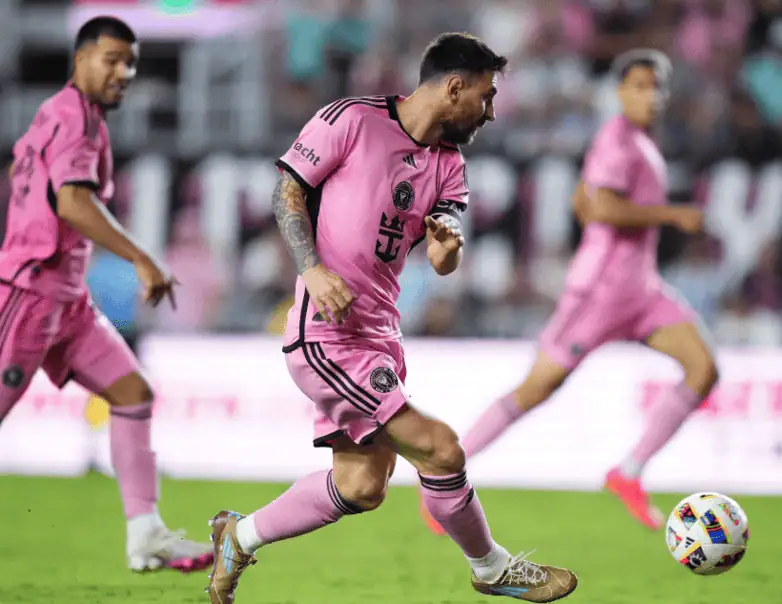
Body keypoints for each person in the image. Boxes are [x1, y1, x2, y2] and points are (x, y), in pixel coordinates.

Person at [206, 33, 578, 604]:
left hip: (381, 336)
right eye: (487, 95)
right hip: (325, 335)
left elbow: (443, 259)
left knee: (360, 487)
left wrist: (446, 247)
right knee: (442, 448)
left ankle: (240, 536)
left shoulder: (450, 165)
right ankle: (491, 567)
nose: (492, 110)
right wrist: (310, 269)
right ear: (454, 87)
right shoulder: (350, 120)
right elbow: (287, 193)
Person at [422, 48, 715, 534]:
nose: (650, 96)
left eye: (657, 87)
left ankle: (629, 472)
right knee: (537, 389)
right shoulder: (618, 140)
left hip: (640, 290)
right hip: (600, 292)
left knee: (704, 368)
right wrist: (672, 215)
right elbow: (599, 209)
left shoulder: (639, 143)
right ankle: (443, 474)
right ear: (620, 92)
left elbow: (584, 199)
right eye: (639, 86)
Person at [0, 17, 213, 572]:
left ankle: (146, 534)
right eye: (112, 59)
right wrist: (142, 256)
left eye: (131, 63)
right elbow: (70, 203)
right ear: (80, 57)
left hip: (65, 300)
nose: (124, 72)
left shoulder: (63, 114)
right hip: (29, 292)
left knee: (132, 393)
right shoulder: (75, 119)